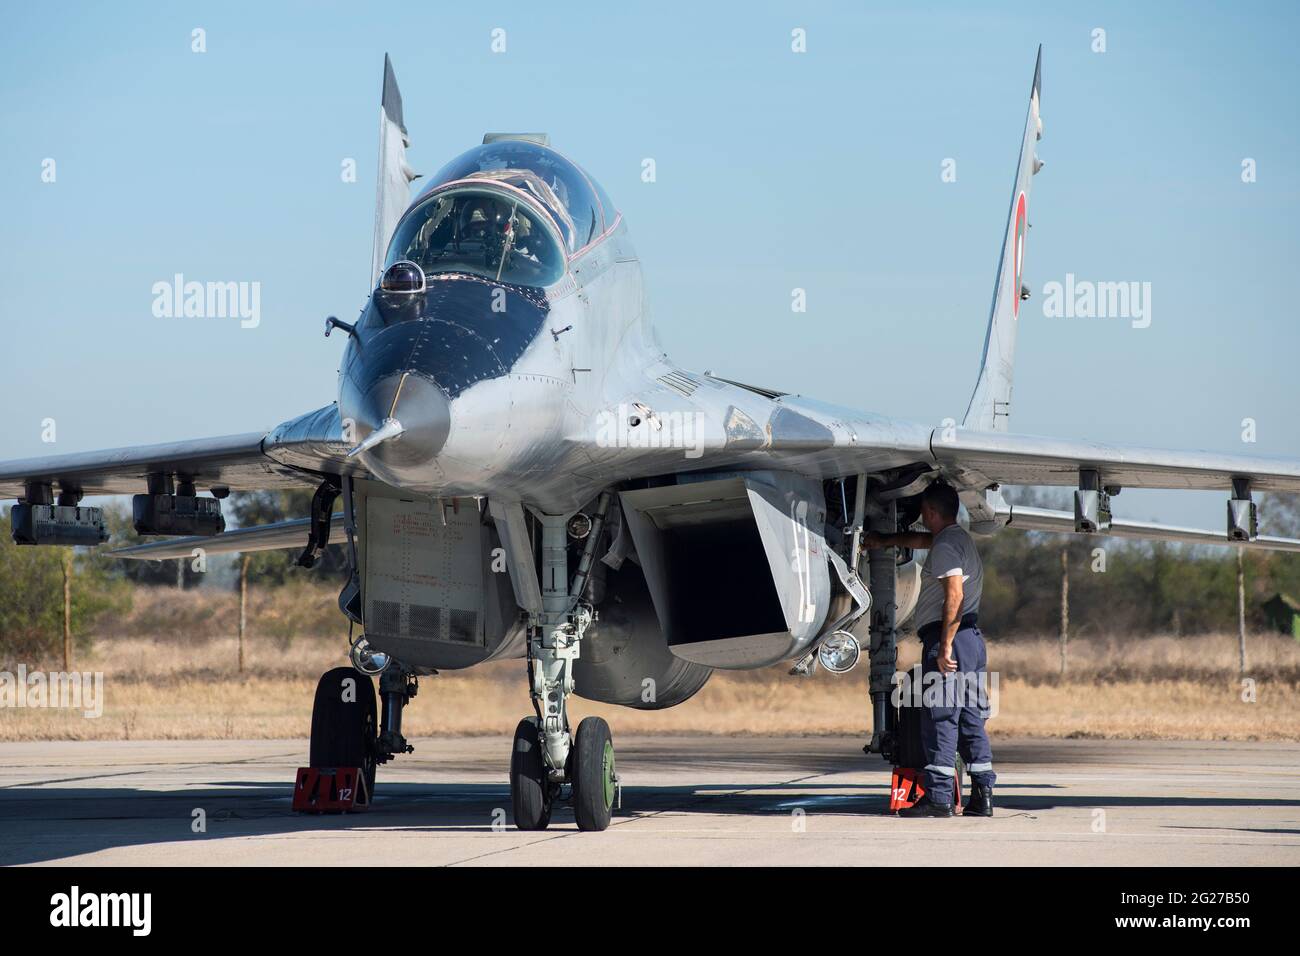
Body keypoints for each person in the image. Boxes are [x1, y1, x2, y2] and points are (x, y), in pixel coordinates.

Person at [862, 480, 995, 818]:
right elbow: (923, 541)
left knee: (940, 718)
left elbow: (954, 597)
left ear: (932, 511)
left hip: (949, 638)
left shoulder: (947, 548)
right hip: (971, 641)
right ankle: (983, 795)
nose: (921, 516)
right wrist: (885, 541)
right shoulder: (955, 539)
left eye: (923, 511)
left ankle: (938, 799)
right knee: (969, 718)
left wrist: (945, 646)